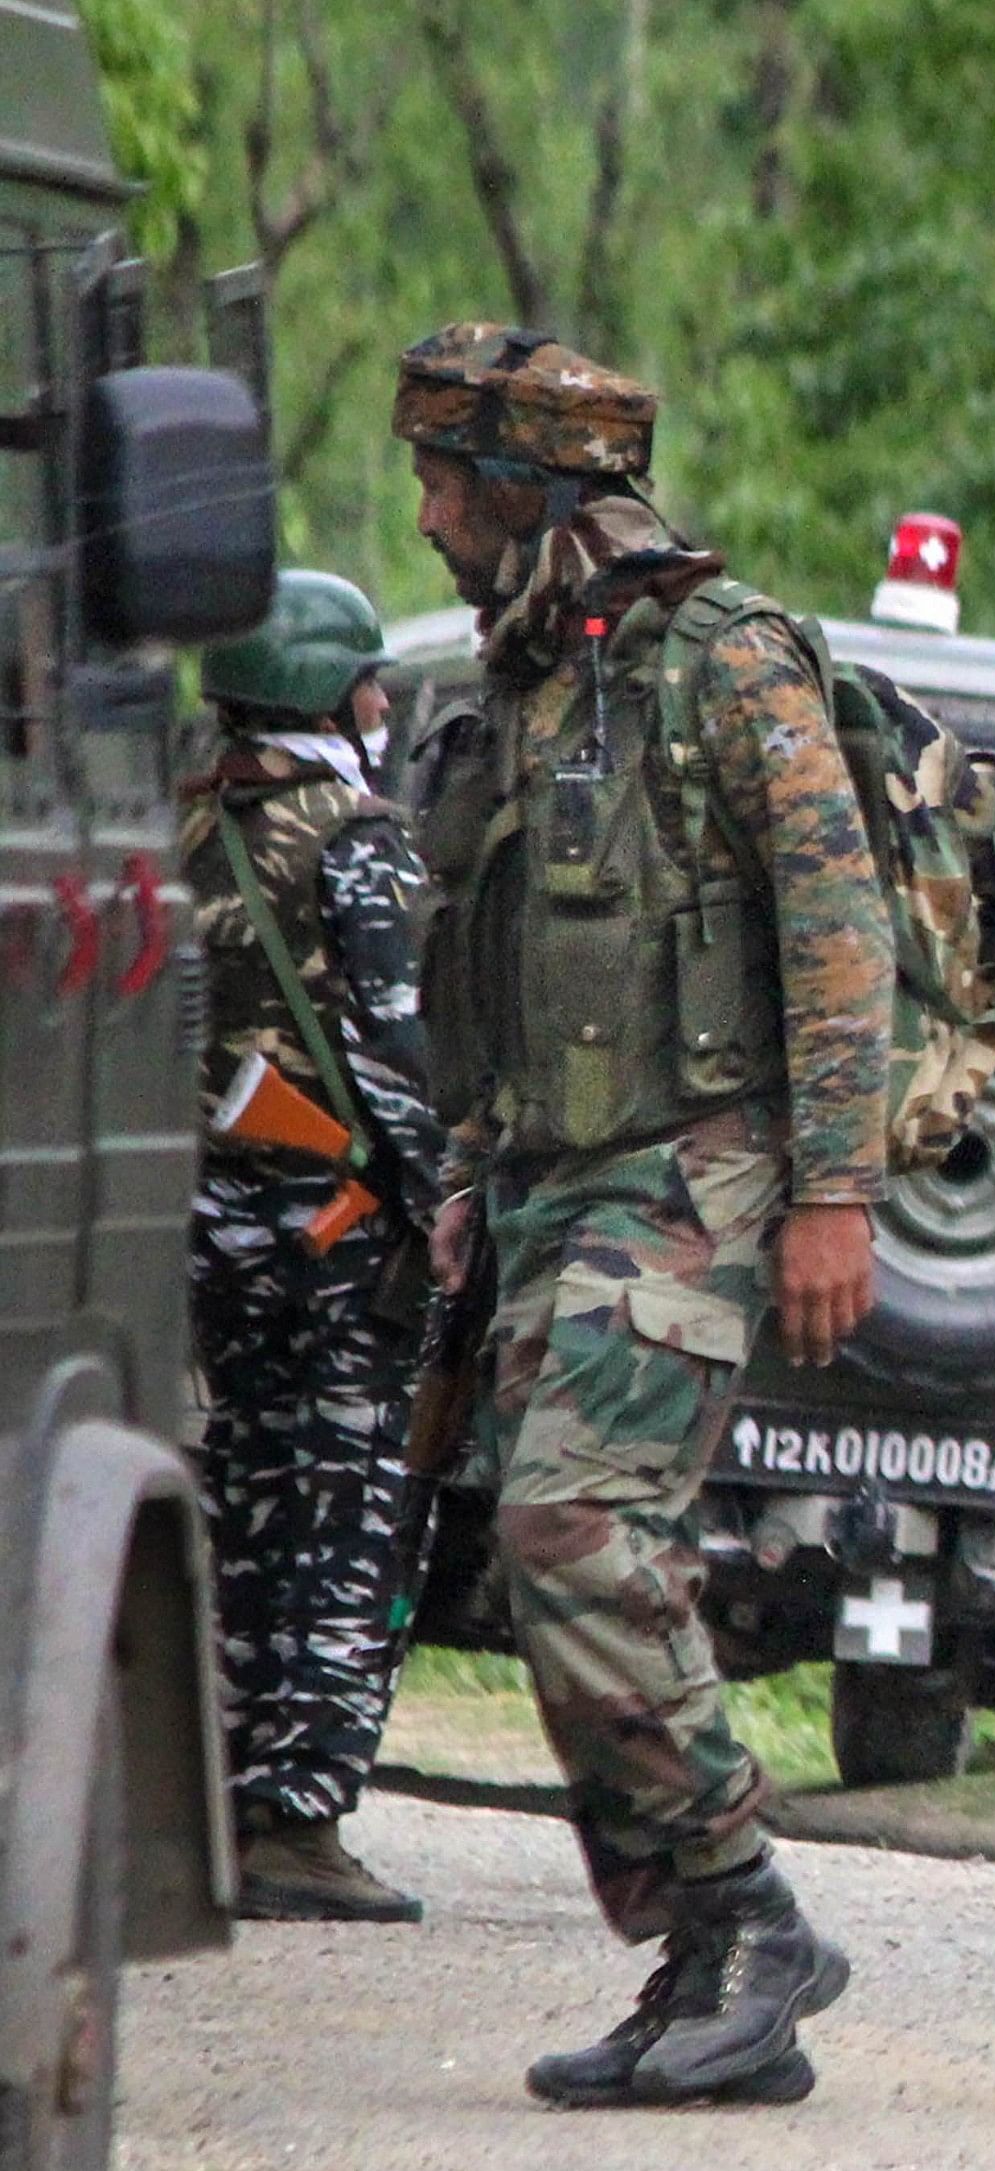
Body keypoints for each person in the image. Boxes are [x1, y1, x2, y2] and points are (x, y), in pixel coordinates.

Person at [395, 322, 891, 2108]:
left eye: (453, 481)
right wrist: (469, 1171)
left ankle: (748, 1907)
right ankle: (706, 1960)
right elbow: (497, 964)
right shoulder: (524, 676)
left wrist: (836, 1188)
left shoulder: (720, 656)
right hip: (548, 1175)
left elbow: (842, 931)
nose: (431, 512)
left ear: (531, 491)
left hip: (698, 1164)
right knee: (556, 1566)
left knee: (570, 1525)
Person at [181, 569, 445, 1924]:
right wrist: (444, 1199)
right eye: (369, 679)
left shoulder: (176, 821)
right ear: (327, 690)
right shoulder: (357, 838)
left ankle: (209, 1792)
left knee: (230, 1494)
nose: (385, 702)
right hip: (335, 1230)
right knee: (342, 1508)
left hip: (201, 1226)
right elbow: (397, 1054)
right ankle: (298, 1816)